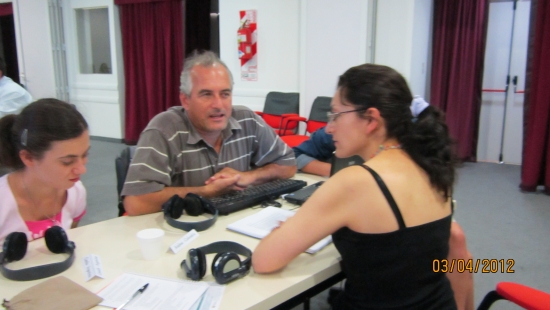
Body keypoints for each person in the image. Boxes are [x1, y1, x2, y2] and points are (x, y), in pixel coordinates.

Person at [253, 63, 463, 309]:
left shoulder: (356, 181)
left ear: (371, 119)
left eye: (336, 115)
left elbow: (263, 260)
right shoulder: (432, 163)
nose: (329, 127)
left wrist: (287, 230)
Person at [293, 104, 473, 310]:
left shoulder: (408, 141)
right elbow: (297, 155)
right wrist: (336, 171)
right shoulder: (338, 131)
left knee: (457, 241)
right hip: (354, 206)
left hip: (403, 206)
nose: (331, 126)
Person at [122, 51, 297, 215]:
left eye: (225, 94)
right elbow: (135, 202)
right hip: (183, 231)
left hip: (235, 223)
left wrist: (247, 177)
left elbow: (288, 164)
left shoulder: (247, 120)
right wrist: (206, 192)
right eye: (206, 94)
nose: (218, 104)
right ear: (185, 100)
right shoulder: (164, 129)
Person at [0, 98, 89, 244]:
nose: (82, 169)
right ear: (28, 157)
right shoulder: (3, 203)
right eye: (67, 161)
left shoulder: (75, 192)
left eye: (85, 155)